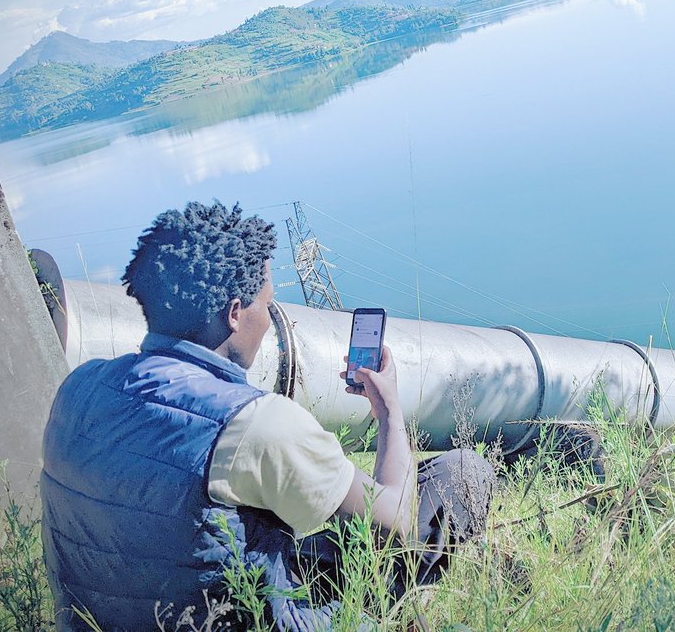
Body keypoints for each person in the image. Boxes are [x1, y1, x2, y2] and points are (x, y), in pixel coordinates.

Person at [40, 201, 493, 630]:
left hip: (109, 617)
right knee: (462, 473)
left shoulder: (78, 387)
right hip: (240, 618)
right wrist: (390, 411)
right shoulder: (252, 423)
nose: (271, 318)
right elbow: (396, 523)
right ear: (235, 313)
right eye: (267, 304)